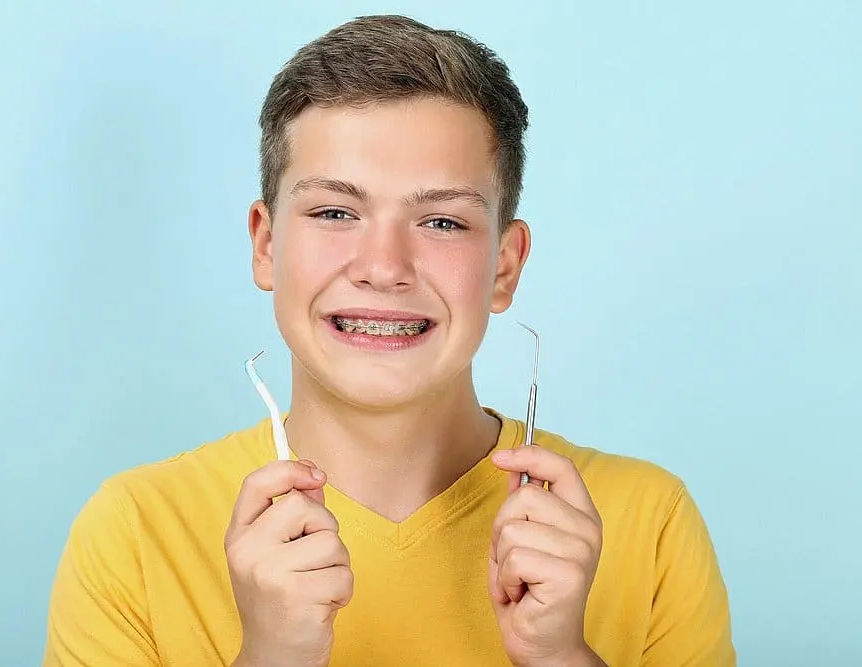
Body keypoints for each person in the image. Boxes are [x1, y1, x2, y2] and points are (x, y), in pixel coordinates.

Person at [41, 14, 736, 667]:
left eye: (441, 222)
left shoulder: (647, 522)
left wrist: (562, 657)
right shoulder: (133, 532)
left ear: (505, 264)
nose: (383, 267)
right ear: (265, 244)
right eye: (335, 211)